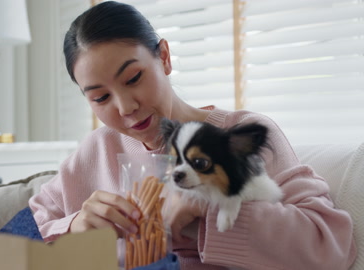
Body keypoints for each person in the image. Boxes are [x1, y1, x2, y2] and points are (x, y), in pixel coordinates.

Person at [29, 1, 357, 269]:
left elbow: (331, 246)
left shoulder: (242, 136)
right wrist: (74, 227)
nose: (126, 107)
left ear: (165, 58)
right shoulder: (95, 151)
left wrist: (208, 209)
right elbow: (18, 238)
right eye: (100, 98)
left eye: (133, 78)